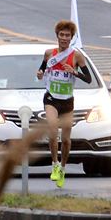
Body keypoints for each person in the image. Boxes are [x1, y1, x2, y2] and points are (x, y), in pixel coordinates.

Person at [36, 20, 92, 188]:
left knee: (66, 140)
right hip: (51, 98)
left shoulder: (76, 56)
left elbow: (88, 79)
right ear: (57, 36)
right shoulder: (49, 54)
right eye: (62, 35)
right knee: (53, 131)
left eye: (68, 35)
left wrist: (74, 72)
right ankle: (54, 164)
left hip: (67, 101)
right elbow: (41, 70)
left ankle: (63, 167)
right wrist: (39, 74)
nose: (64, 38)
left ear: (72, 37)